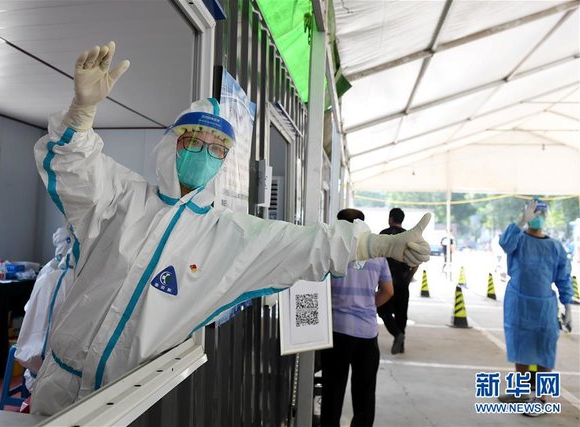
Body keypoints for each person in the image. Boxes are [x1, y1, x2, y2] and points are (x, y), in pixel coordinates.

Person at [30, 42, 431, 415]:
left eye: (218, 146)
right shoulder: (121, 196)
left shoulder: (228, 236)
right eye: (195, 138)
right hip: (58, 385)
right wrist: (80, 115)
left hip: (133, 401)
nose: (205, 151)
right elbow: (74, 167)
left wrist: (380, 244)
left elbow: (307, 244)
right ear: (172, 142)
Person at [498, 199, 573, 413]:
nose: (537, 216)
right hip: (518, 302)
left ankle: (540, 399)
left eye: (541, 212)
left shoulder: (555, 247)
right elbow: (504, 243)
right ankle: (522, 392)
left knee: (545, 350)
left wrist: (568, 306)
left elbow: (564, 278)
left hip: (544, 307)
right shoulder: (518, 240)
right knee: (520, 347)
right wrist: (521, 221)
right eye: (533, 211)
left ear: (546, 216)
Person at [320, 209, 393, 427]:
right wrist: (369, 305)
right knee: (364, 393)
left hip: (336, 331)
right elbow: (388, 291)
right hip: (367, 333)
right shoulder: (376, 252)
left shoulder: (331, 250)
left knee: (333, 390)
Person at [15, 225, 75, 393]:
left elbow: (29, 308)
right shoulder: (54, 274)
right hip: (44, 359)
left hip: (43, 356)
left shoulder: (52, 272)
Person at [377, 208, 418, 354]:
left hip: (385, 281)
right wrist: (409, 276)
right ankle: (400, 344)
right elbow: (416, 261)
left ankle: (396, 334)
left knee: (382, 310)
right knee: (402, 314)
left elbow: (377, 257)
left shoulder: (383, 234)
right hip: (403, 281)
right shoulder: (410, 237)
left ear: (391, 218)